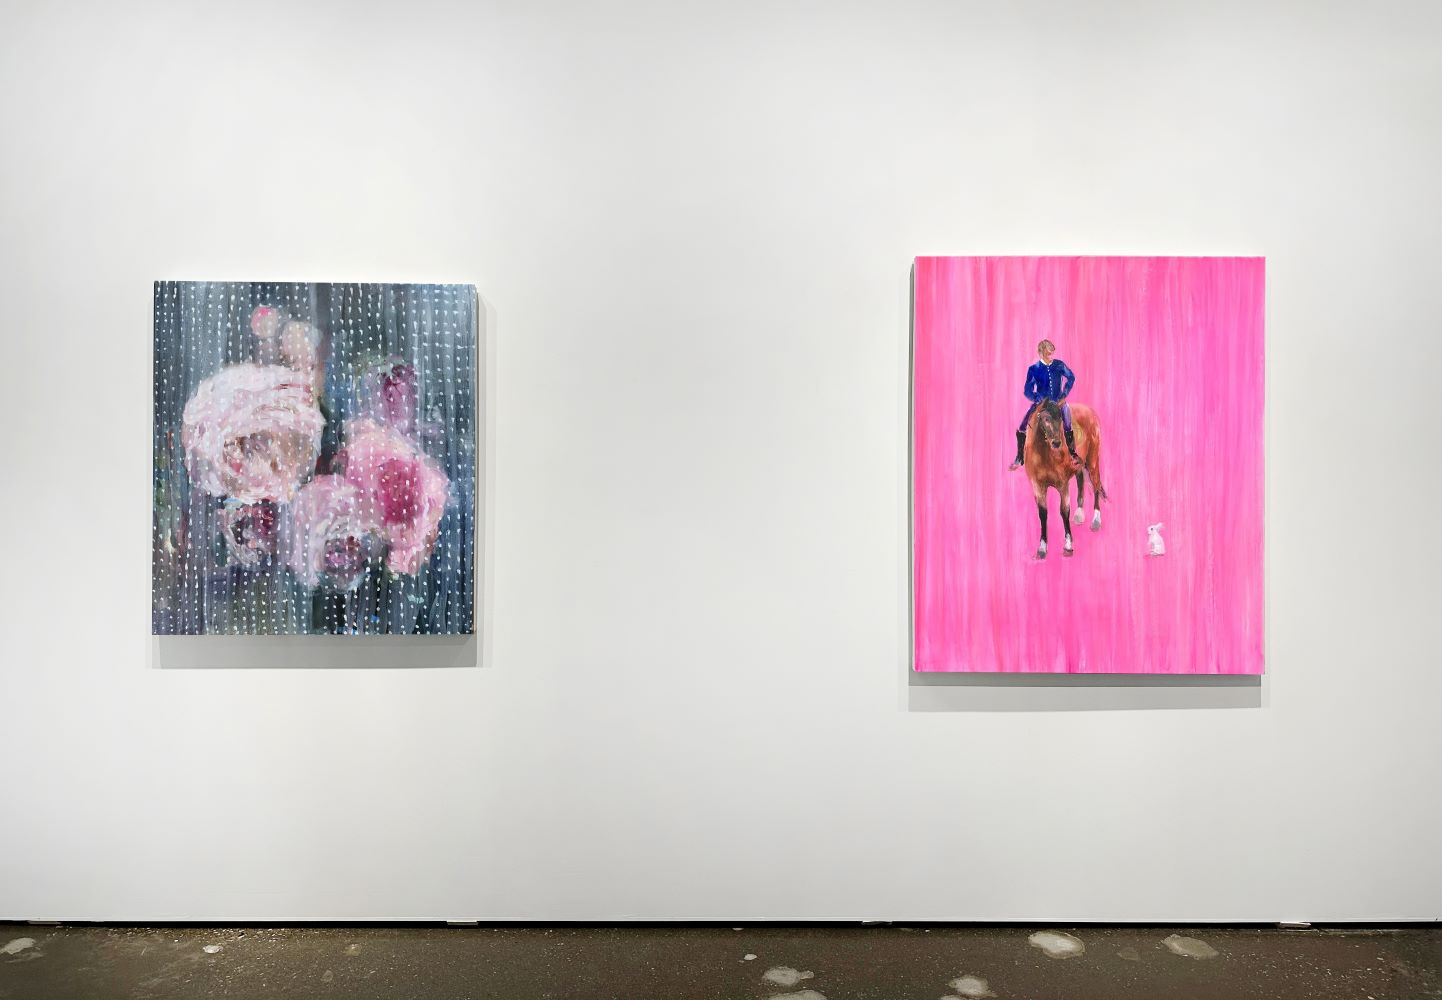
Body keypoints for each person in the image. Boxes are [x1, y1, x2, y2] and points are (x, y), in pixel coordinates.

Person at [1009, 339, 1081, 470]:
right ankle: (1020, 457)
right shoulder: (1034, 369)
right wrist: (1037, 399)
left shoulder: (1059, 365)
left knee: (1067, 420)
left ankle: (1072, 453)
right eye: (1047, 353)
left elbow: (1071, 377)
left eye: (1051, 353)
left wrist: (1064, 395)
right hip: (1041, 404)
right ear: (1041, 352)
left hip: (1058, 402)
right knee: (1023, 426)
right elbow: (1027, 390)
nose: (1049, 356)